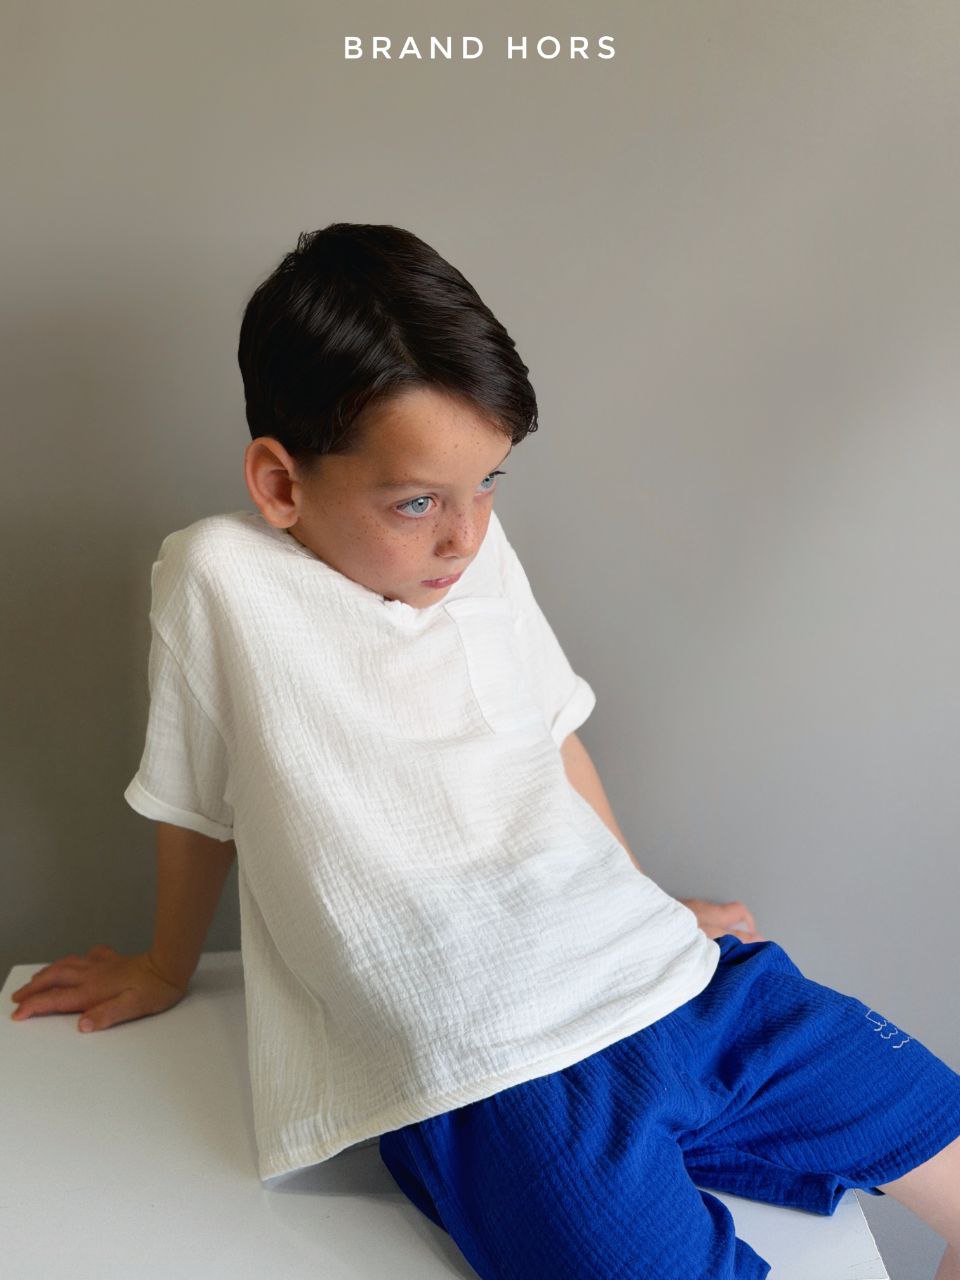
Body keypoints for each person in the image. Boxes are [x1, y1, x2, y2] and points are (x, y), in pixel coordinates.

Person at [10, 223, 960, 1279]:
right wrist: (163, 964)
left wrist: (642, 894)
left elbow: (547, 731)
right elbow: (198, 799)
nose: (464, 536)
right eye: (418, 501)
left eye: (490, 482)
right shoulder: (217, 577)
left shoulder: (468, 547)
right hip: (498, 1064)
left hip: (675, 982)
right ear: (280, 484)